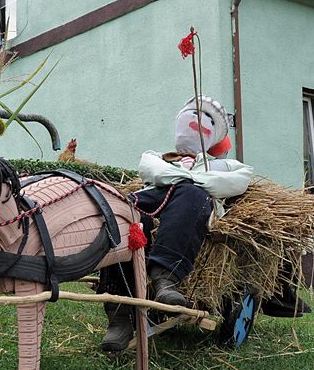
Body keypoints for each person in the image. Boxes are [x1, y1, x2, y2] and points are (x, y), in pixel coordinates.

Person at [99, 96, 254, 352]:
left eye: (207, 119)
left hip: (190, 206)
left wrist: (185, 182)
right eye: (192, 114)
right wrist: (192, 177)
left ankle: (165, 277)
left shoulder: (226, 165)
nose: (197, 121)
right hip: (153, 199)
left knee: (193, 195)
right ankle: (119, 315)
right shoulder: (158, 157)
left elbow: (237, 181)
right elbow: (151, 171)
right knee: (123, 210)